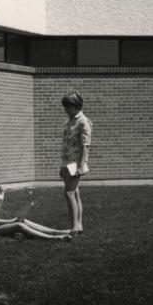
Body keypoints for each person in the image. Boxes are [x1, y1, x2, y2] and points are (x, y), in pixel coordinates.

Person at [0, 171, 72, 240]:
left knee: (23, 220)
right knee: (19, 225)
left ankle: (57, 232)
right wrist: (12, 221)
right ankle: (54, 238)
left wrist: (0, 200)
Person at [60, 91, 92, 234]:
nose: (65, 109)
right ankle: (79, 226)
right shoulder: (69, 121)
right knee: (75, 193)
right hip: (68, 162)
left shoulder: (83, 122)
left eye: (67, 106)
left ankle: (74, 227)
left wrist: (81, 165)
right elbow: (66, 144)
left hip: (76, 163)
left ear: (75, 105)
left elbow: (85, 145)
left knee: (69, 193)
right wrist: (63, 165)